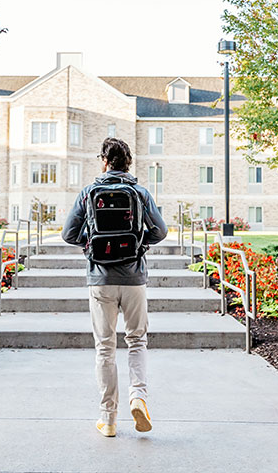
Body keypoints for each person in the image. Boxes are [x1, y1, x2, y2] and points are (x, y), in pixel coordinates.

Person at [62, 137, 168, 438]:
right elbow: (160, 230)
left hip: (101, 280)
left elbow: (68, 234)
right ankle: (138, 398)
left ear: (103, 161)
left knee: (104, 347)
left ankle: (108, 418)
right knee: (137, 341)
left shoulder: (88, 192)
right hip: (134, 278)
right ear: (129, 162)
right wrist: (138, 245)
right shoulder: (139, 192)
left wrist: (90, 245)